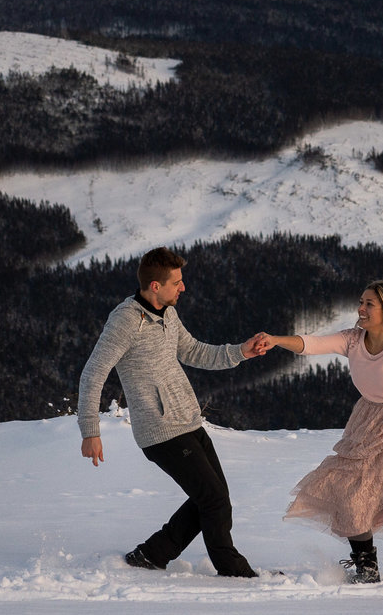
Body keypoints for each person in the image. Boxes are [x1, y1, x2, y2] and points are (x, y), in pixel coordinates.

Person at [253, 280, 383, 587]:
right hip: (368, 422)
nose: (361, 308)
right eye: (361, 302)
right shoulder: (353, 340)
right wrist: (275, 339)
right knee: (350, 493)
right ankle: (367, 567)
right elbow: (312, 343)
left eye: (369, 304)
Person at [77, 246, 268, 578]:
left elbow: (193, 351)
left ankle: (152, 554)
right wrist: (90, 430)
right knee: (214, 501)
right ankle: (234, 571)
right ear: (155, 286)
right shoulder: (125, 321)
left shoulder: (167, 314)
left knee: (211, 498)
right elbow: (92, 374)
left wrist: (241, 352)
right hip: (160, 431)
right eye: (176, 282)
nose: (183, 288)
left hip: (188, 422)